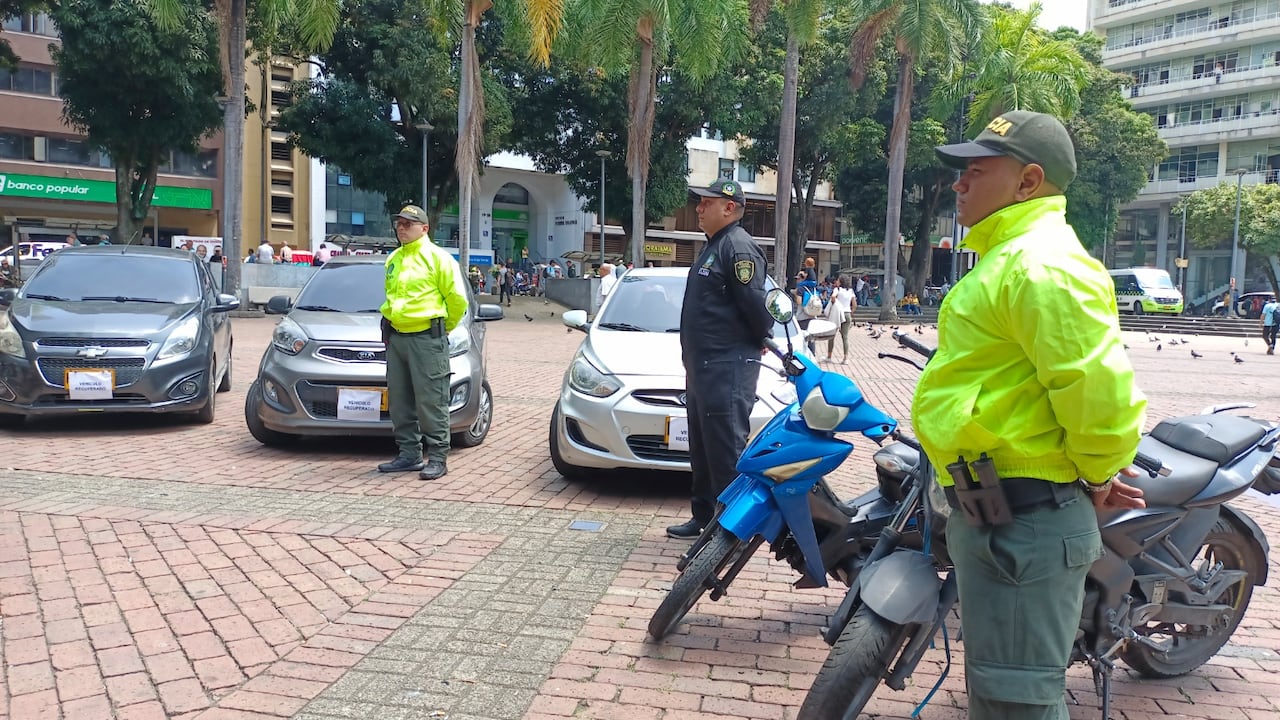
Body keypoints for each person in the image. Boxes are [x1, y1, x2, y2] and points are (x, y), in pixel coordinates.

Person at [917, 110, 1148, 720]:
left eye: (975, 170)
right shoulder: (1010, 257)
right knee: (1000, 695)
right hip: (999, 514)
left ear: (1028, 182)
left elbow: (1096, 390)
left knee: (1017, 703)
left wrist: (1099, 475)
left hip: (1025, 519)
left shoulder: (1041, 265)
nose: (959, 184)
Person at [668, 179, 773, 539]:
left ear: (729, 207)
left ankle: (727, 532)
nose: (698, 208)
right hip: (703, 368)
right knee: (703, 447)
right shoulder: (715, 246)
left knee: (725, 449)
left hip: (727, 366)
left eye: (706, 203)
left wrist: (761, 336)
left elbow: (755, 304)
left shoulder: (738, 247)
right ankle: (703, 517)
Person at [377, 205, 468, 480]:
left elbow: (457, 300)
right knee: (401, 401)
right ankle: (409, 454)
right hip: (398, 338)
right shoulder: (394, 258)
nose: (401, 228)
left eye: (408, 223)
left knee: (431, 401)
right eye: (399, 223)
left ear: (424, 228)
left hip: (427, 338)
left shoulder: (439, 259)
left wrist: (441, 329)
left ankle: (438, 456)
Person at [825, 275, 855, 362]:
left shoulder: (837, 289)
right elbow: (854, 304)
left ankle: (829, 356)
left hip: (838, 314)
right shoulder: (851, 291)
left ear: (841, 282)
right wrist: (851, 312)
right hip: (847, 313)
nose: (836, 282)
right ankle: (845, 358)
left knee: (832, 336)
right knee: (845, 337)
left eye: (838, 280)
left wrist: (835, 304)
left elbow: (833, 297)